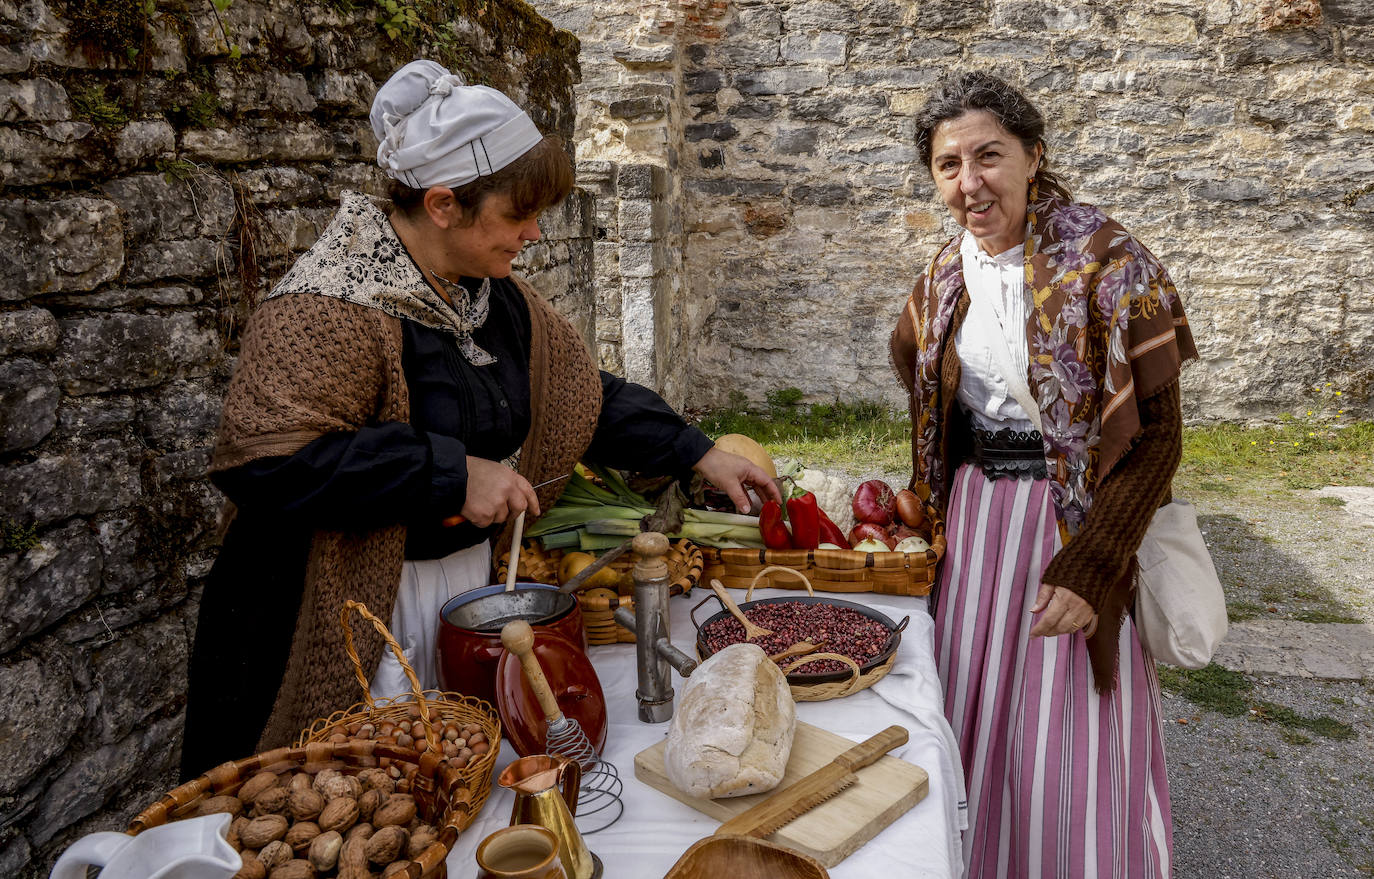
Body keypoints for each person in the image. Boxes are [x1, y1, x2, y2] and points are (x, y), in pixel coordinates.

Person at [180, 60, 778, 778]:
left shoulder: (493, 300)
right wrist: (449, 474)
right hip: (335, 611)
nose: (531, 234)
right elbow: (267, 462)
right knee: (344, 797)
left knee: (457, 784)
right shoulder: (324, 306)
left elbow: (582, 395)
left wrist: (696, 451)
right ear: (441, 205)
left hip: (462, 593)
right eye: (517, 215)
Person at [890, 72, 1196, 878]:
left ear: (1033, 156)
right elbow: (938, 421)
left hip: (1073, 528)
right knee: (968, 712)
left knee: (1062, 738)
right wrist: (918, 508)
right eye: (949, 165)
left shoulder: (1106, 261)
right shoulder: (942, 277)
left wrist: (1096, 561)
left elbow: (1159, 438)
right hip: (976, 529)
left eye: (989, 155)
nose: (971, 182)